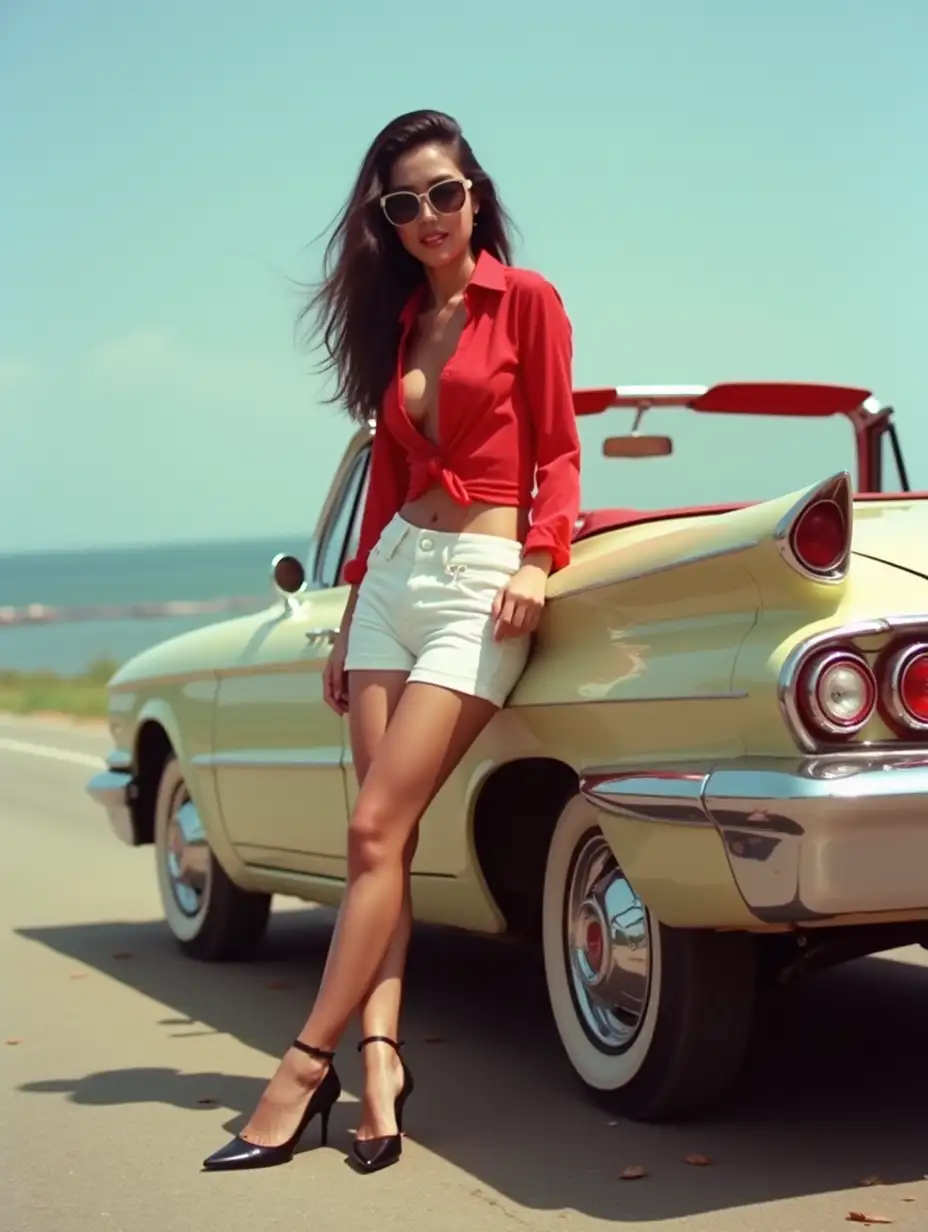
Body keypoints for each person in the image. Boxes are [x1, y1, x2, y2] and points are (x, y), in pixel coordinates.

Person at [203, 108, 581, 1176]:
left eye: (444, 194)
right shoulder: (402, 320)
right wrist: (353, 605)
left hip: (476, 587)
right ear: (386, 218)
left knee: (373, 827)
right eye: (403, 203)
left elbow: (557, 449)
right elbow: (389, 483)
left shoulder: (530, 300)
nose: (427, 217)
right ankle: (380, 1064)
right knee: (386, 845)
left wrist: (540, 558)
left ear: (475, 193)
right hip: (391, 586)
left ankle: (299, 1067)